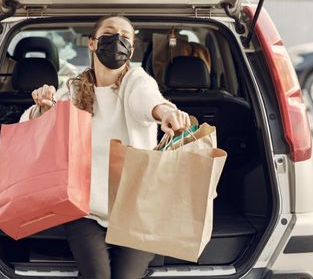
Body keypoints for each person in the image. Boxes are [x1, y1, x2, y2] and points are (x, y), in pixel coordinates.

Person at [19, 15, 191, 279]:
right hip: (85, 209)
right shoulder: (75, 89)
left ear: (131, 49)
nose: (117, 41)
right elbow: (36, 126)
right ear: (92, 43)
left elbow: (149, 100)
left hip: (137, 208)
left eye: (125, 37)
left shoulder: (136, 80)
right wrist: (41, 106)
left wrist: (165, 112)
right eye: (110, 33)